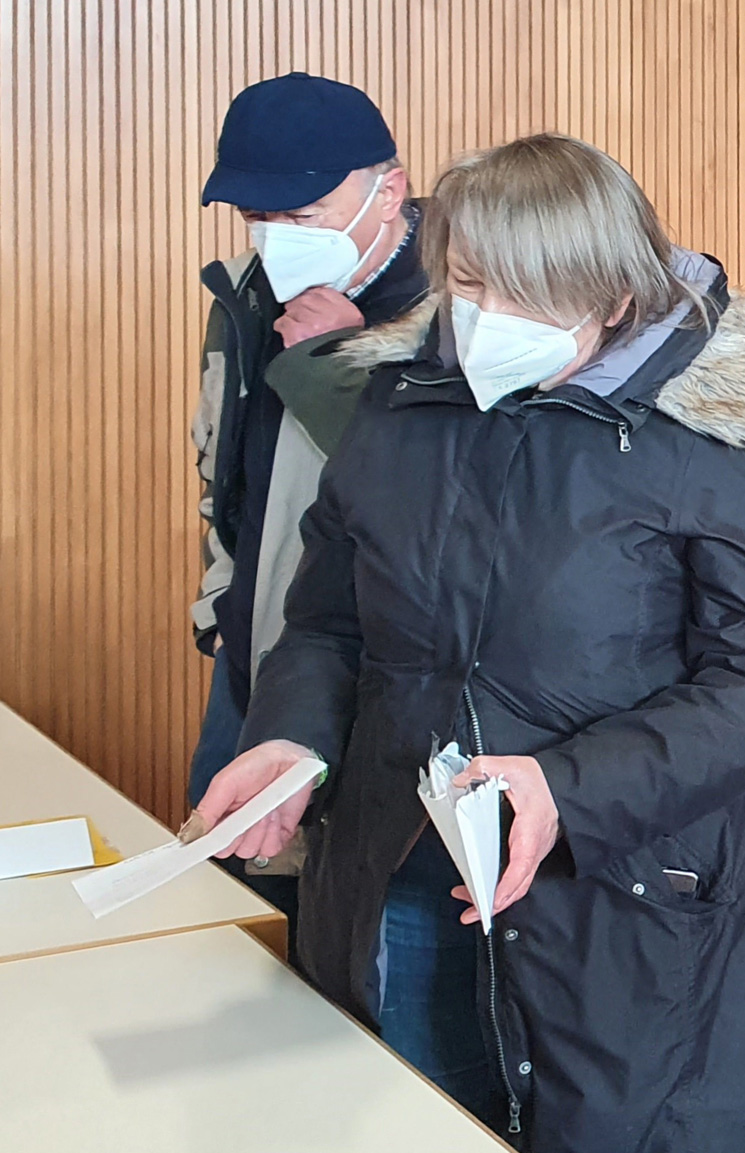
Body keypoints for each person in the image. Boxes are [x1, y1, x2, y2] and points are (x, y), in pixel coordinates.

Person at [196, 134, 745, 1153]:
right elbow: (331, 623)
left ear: (611, 289)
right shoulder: (400, 403)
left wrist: (570, 787)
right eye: (469, 283)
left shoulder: (710, 433)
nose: (485, 317)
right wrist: (293, 738)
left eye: (524, 292)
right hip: (405, 863)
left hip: (628, 886)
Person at [191, 73, 429, 934]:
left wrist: (331, 364)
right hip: (255, 645)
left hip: (383, 662)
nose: (274, 239)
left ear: (388, 190)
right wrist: (218, 600)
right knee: (234, 891)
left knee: (350, 924)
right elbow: (223, 461)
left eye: (302, 216)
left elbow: (443, 496)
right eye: (258, 217)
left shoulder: (467, 302)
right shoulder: (251, 293)